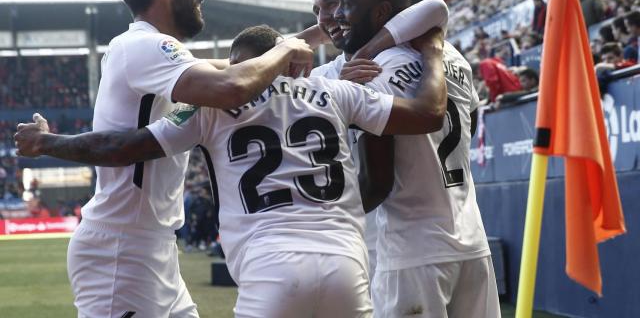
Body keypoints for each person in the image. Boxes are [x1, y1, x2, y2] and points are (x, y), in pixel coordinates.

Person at [16, 24, 447, 318]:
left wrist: (46, 144)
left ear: (246, 64)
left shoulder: (210, 109)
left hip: (269, 265)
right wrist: (433, 52)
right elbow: (429, 114)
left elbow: (123, 146)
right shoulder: (336, 90)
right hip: (347, 263)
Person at [41, 0, 314, 316]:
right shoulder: (144, 46)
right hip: (122, 251)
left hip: (152, 246)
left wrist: (311, 41)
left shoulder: (145, 50)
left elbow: (239, 69)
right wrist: (286, 49)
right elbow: (232, 85)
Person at [333, 0, 500, 317]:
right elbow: (470, 115)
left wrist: (325, 218)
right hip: (471, 241)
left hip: (414, 252)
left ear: (380, 12)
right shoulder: (451, 56)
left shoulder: (373, 72)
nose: (337, 14)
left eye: (346, 4)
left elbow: (377, 183)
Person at [309, 0, 449, 281]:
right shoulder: (440, 56)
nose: (329, 16)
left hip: (386, 234)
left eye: (336, 3)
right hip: (444, 230)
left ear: (373, 5)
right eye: (316, 10)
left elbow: (378, 180)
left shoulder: (375, 72)